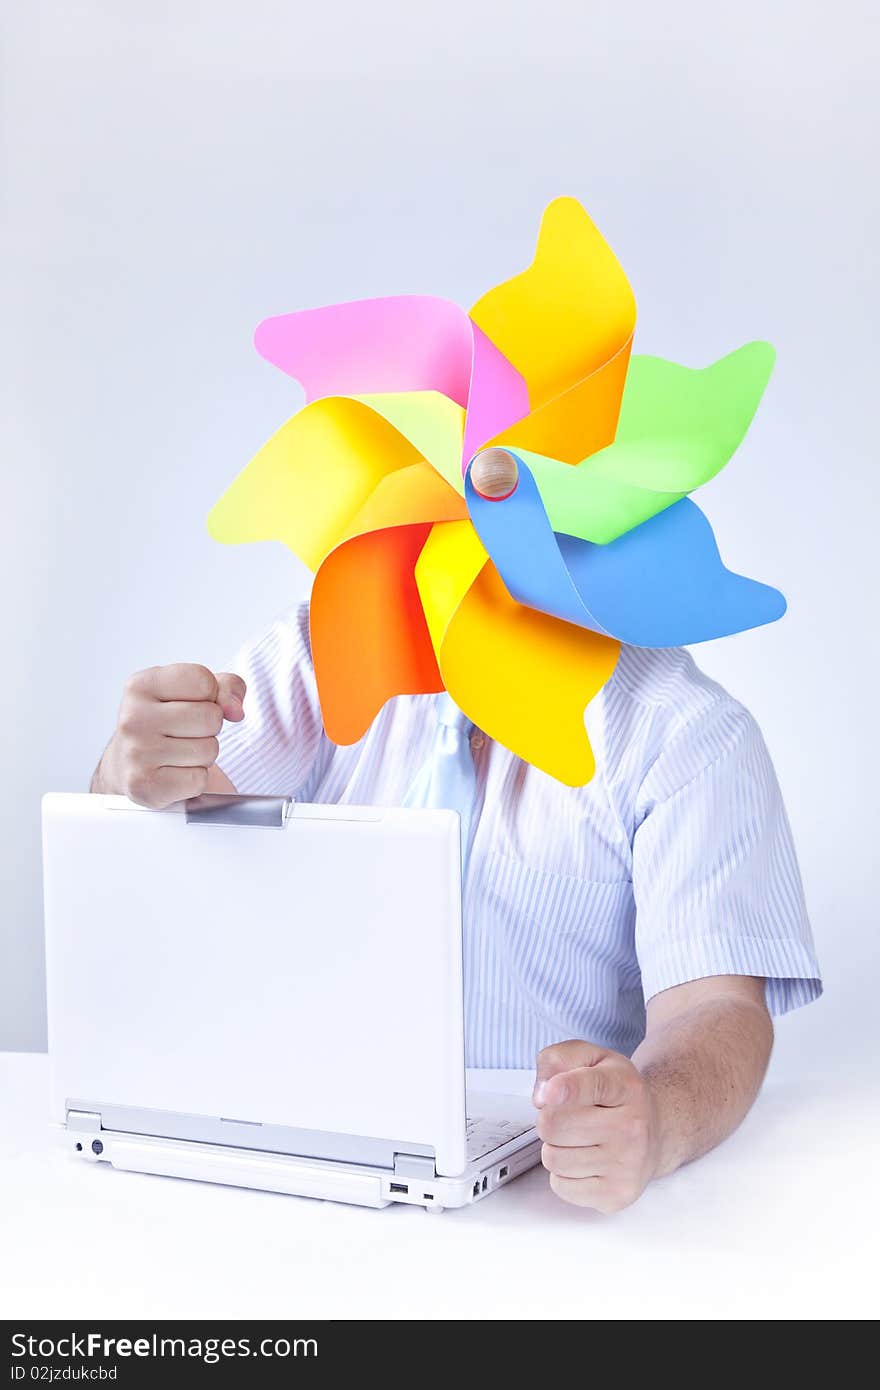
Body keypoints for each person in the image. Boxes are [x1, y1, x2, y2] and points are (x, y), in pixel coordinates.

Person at [91, 601, 821, 1214]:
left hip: (532, 1196)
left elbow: (716, 1005)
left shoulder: (684, 731)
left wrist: (652, 1122)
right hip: (283, 1163)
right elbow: (171, 848)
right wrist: (128, 773)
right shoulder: (319, 653)